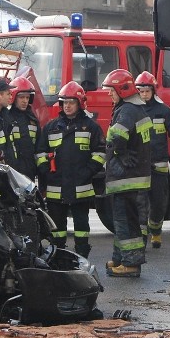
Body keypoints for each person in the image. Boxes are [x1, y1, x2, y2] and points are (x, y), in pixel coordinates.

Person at [35, 81, 105, 258]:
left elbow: (100, 153)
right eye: (64, 102)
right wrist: (45, 170)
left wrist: (88, 172)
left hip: (81, 187)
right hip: (55, 186)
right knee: (57, 226)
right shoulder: (51, 127)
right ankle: (58, 254)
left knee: (82, 224)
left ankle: (82, 253)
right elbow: (41, 152)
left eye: (71, 102)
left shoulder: (91, 127)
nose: (67, 106)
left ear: (80, 103)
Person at [102, 68, 152, 278]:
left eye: (111, 90)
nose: (108, 94)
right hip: (133, 176)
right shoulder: (135, 109)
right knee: (123, 220)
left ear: (121, 90)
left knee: (125, 221)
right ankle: (121, 257)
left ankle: (130, 264)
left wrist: (117, 151)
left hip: (126, 177)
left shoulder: (128, 110)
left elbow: (117, 137)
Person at [134, 71, 170, 249]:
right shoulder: (133, 110)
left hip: (159, 166)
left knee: (158, 203)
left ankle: (155, 231)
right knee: (140, 203)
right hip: (139, 166)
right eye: (141, 91)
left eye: (147, 91)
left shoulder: (163, 110)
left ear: (153, 91)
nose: (144, 94)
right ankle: (141, 237)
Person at [7, 77, 40, 180]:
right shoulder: (6, 118)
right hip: (11, 171)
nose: (25, 101)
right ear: (14, 97)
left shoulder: (33, 120)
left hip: (29, 171)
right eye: (21, 97)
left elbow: (39, 147)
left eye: (27, 97)